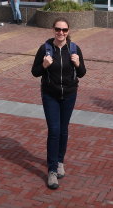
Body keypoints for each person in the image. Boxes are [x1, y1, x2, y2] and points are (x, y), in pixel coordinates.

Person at [31, 18, 87, 189]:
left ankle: (60, 160)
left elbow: (82, 73)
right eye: (57, 29)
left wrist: (77, 63)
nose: (60, 33)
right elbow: (35, 72)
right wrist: (44, 64)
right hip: (50, 95)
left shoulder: (74, 49)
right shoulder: (45, 49)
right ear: (53, 30)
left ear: (68, 31)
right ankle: (52, 170)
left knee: (63, 130)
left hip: (69, 95)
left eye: (64, 30)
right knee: (54, 130)